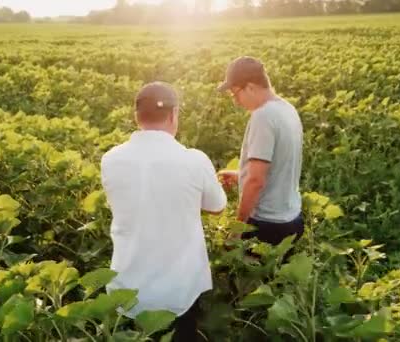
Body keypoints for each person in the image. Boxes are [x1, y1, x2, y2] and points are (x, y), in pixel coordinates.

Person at [100, 81, 227, 341]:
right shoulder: (194, 160)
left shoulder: (110, 159)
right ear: (174, 115)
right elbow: (217, 207)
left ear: (136, 117)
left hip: (128, 291)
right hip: (179, 293)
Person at [217, 56, 305, 246]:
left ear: (250, 87)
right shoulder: (287, 109)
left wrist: (239, 227)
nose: (236, 101)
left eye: (235, 93)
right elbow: (279, 166)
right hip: (292, 220)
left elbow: (256, 180)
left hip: (266, 225)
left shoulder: (263, 116)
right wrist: (240, 176)